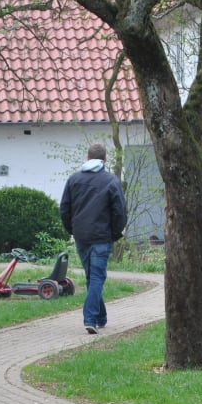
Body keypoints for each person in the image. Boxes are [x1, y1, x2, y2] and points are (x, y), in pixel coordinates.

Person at [59, 143, 126, 334]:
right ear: (105, 160)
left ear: (87, 158)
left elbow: (65, 208)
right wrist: (114, 233)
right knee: (96, 277)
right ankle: (90, 319)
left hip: (81, 237)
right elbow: (120, 212)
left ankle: (100, 317)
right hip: (101, 237)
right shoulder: (111, 181)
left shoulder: (74, 180)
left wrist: (72, 229)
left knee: (92, 277)